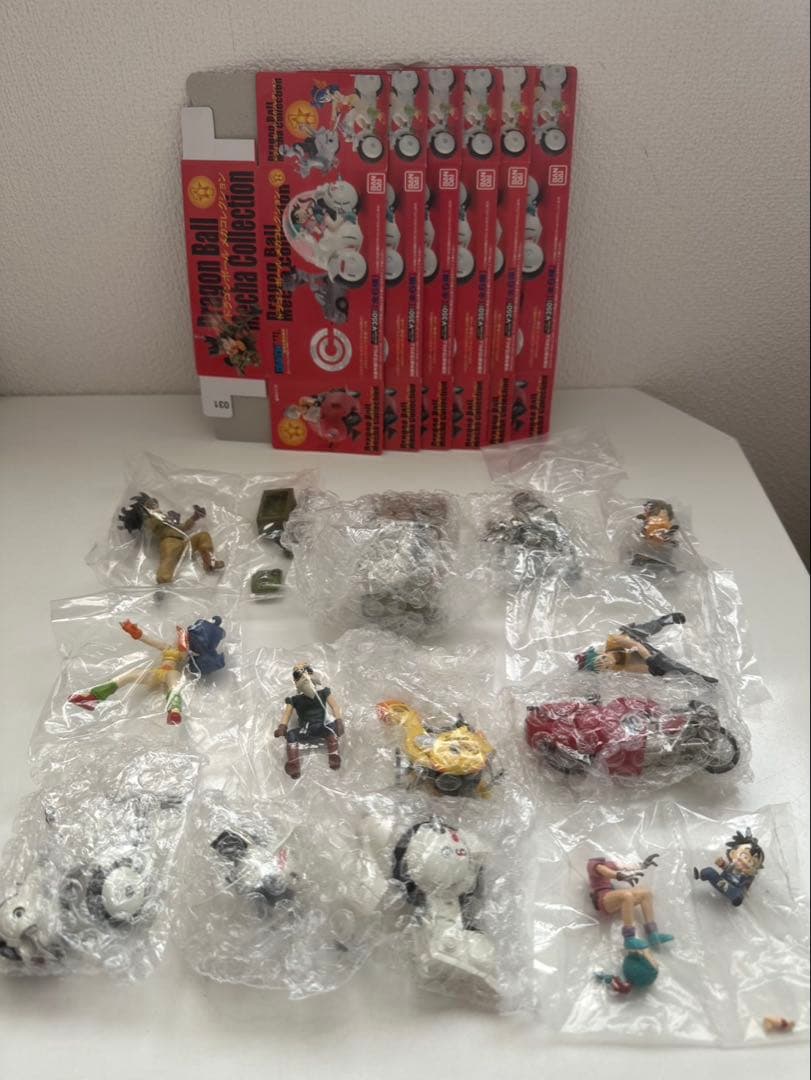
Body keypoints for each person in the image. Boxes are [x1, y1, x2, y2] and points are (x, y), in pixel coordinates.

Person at [69, 620, 188, 725]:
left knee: (174, 684)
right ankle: (92, 698)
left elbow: (183, 649)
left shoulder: (185, 653)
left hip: (171, 673)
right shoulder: (167, 647)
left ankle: (175, 711)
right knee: (129, 675)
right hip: (157, 673)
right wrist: (136, 632)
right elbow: (150, 640)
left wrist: (183, 636)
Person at [118, 493, 224, 585]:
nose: (155, 506)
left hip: (183, 544)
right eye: (150, 506)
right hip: (169, 543)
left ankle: (210, 563)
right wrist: (157, 517)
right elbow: (151, 525)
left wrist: (194, 517)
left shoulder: (167, 521)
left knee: (203, 536)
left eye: (154, 504)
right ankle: (162, 582)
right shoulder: (151, 521)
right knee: (168, 561)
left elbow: (184, 527)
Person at [587, 854, 673, 951]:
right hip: (603, 899)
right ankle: (629, 939)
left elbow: (625, 866)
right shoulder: (592, 864)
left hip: (612, 897)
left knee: (645, 893)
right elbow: (607, 872)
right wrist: (622, 876)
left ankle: (653, 934)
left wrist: (643, 865)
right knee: (627, 895)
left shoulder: (608, 863)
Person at [274, 663, 344, 779]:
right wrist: (282, 726)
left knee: (332, 728)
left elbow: (335, 707)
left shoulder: (323, 693)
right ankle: (294, 764)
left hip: (323, 726)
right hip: (305, 730)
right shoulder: (294, 700)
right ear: (295, 680)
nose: (304, 676)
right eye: (298, 674)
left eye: (307, 670)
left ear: (312, 673)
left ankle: (333, 755)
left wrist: (339, 721)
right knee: (291, 735)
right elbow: (287, 713)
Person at [693, 828, 764, 906]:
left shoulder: (747, 876)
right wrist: (721, 863)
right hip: (720, 881)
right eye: (744, 857)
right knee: (709, 871)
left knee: (737, 894)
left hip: (731, 889)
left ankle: (735, 899)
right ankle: (700, 876)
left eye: (750, 861)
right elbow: (725, 867)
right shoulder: (732, 865)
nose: (744, 862)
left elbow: (746, 887)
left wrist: (746, 891)